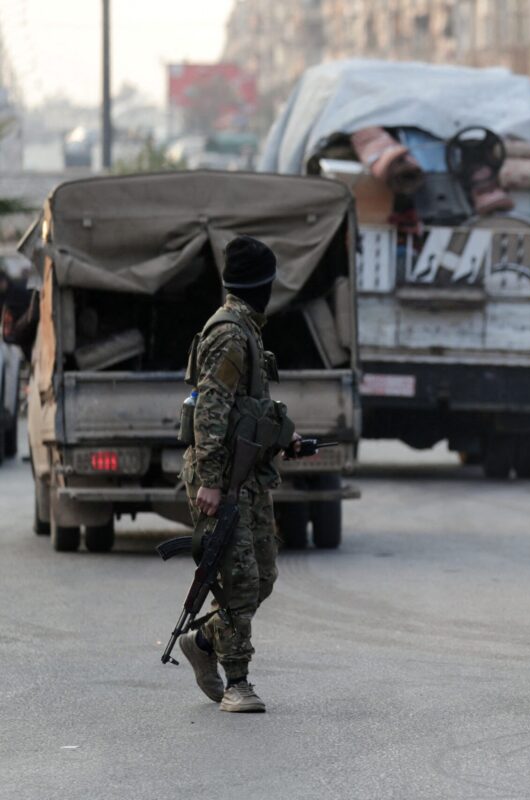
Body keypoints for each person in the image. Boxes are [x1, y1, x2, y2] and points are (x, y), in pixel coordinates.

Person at [178, 235, 304, 713]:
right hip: (224, 478)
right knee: (239, 579)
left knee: (263, 575)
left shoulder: (247, 329)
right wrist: (210, 479)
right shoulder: (231, 333)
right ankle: (237, 682)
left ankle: (204, 642)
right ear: (262, 285)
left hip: (247, 474)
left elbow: (243, 408)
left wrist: (282, 436)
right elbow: (210, 408)